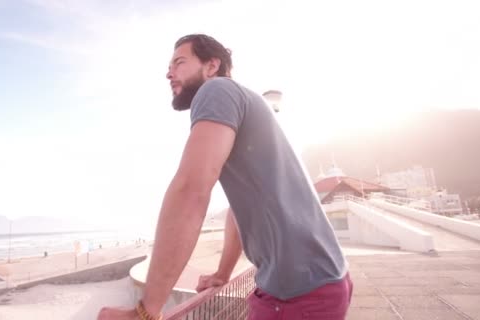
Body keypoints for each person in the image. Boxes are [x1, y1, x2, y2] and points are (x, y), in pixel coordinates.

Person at [97, 34, 352, 320]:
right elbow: (238, 209)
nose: (169, 73)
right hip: (311, 283)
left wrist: (144, 312)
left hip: (300, 294)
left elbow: (191, 191)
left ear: (211, 66)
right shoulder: (242, 102)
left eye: (179, 62)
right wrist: (223, 272)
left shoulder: (217, 89)